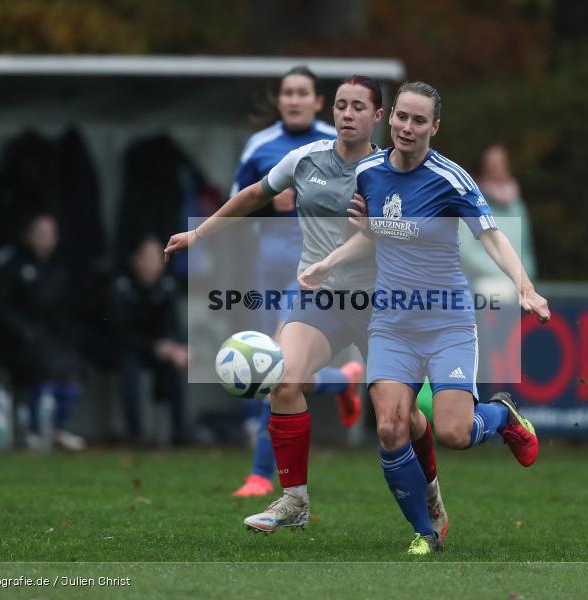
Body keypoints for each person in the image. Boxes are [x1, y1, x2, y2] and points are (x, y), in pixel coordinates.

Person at [165, 76, 449, 541]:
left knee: (400, 418)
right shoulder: (306, 158)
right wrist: (199, 234)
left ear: (378, 117)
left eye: (359, 107)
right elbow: (255, 193)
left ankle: (431, 490)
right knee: (283, 380)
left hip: (381, 305)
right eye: (341, 105)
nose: (347, 114)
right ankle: (294, 498)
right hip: (319, 298)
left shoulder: (391, 170)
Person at [299, 81, 549, 555]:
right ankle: (425, 530)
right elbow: (375, 233)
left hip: (447, 322)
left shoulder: (451, 178)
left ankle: (501, 415)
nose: (407, 128)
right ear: (389, 117)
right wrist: (329, 263)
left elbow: (491, 236)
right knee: (391, 426)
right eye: (401, 117)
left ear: (434, 127)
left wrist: (525, 287)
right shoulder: (370, 172)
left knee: (453, 432)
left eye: (419, 121)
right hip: (391, 323)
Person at [225, 66, 363, 497]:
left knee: (276, 372)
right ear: (279, 99)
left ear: (317, 101)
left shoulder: (338, 140)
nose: (295, 100)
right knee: (284, 376)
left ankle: (261, 475)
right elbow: (241, 204)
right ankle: (343, 381)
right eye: (288, 92)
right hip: (269, 269)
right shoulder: (260, 146)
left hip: (316, 276)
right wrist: (272, 206)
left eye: (304, 92)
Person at [0, 212, 86, 451]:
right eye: (40, 233)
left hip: (52, 339)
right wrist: (23, 331)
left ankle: (58, 428)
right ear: (27, 235)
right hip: (19, 339)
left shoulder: (62, 267)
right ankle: (34, 428)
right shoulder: (11, 264)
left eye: (50, 234)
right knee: (42, 367)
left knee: (71, 369)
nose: (45, 239)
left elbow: (68, 311)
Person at [110, 235, 188, 446]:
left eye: (156, 258)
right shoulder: (122, 287)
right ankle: (135, 433)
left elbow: (174, 327)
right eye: (146, 258)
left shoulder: (167, 287)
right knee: (129, 367)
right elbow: (119, 333)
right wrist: (154, 346)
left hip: (159, 350)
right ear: (135, 260)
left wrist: (177, 348)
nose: (151, 264)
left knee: (174, 366)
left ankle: (180, 433)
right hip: (128, 348)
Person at [459, 143, 536, 285]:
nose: (498, 167)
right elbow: (465, 251)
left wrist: (525, 277)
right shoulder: (471, 203)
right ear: (483, 167)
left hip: (516, 284)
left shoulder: (517, 205)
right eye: (493, 163)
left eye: (502, 162)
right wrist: (503, 273)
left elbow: (525, 247)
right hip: (482, 284)